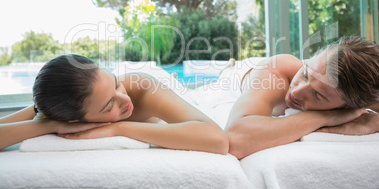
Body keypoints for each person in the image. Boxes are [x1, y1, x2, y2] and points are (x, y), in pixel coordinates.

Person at [0, 54, 228, 154]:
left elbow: (218, 140)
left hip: (160, 85)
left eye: (116, 84)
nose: (124, 99)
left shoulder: (139, 88)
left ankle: (229, 69)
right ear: (74, 120)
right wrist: (47, 126)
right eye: (109, 107)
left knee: (213, 89)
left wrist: (117, 127)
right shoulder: (54, 107)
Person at [223, 36, 379, 159]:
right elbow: (235, 138)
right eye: (306, 74)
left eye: (318, 95)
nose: (297, 92)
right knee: (227, 68)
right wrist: (327, 116)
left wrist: (377, 122)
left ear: (348, 106)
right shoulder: (278, 72)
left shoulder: (365, 88)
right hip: (240, 72)